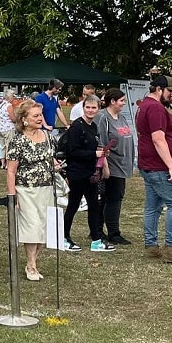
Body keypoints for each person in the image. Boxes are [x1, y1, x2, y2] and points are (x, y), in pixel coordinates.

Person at [136, 73, 172, 264]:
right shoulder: (155, 109)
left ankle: (151, 245)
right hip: (160, 167)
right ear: (160, 90)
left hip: (149, 165)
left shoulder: (147, 106)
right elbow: (158, 139)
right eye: (170, 92)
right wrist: (171, 167)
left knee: (153, 206)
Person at [5, 99, 58, 280]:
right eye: (35, 115)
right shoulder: (17, 141)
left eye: (40, 115)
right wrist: (12, 196)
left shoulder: (49, 137)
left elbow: (52, 160)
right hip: (26, 190)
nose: (39, 118)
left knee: (45, 229)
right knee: (32, 227)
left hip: (47, 188)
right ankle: (31, 265)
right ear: (24, 119)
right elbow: (11, 171)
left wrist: (56, 166)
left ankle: (33, 260)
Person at [58, 95, 113, 252]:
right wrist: (94, 154)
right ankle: (64, 237)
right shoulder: (76, 127)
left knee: (94, 206)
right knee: (73, 206)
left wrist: (101, 154)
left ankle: (96, 240)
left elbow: (91, 149)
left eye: (93, 107)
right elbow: (73, 152)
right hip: (77, 174)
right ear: (83, 108)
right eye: (87, 107)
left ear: (98, 109)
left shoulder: (93, 126)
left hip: (90, 173)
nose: (90, 110)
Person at [97, 88, 134, 245]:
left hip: (123, 163)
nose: (124, 104)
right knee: (112, 198)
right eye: (122, 101)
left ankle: (100, 230)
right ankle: (112, 232)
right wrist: (105, 167)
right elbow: (101, 144)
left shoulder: (121, 117)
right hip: (111, 165)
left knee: (113, 197)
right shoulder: (103, 117)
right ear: (112, 101)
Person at [0, 88, 19, 170]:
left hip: (0, 128)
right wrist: (17, 119)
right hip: (8, 128)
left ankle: (2, 164)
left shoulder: (0, 105)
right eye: (13, 96)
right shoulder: (9, 106)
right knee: (9, 146)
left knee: (2, 146)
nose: (14, 98)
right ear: (10, 97)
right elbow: (13, 119)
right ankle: (8, 164)